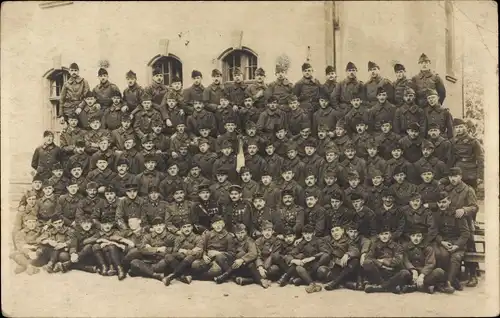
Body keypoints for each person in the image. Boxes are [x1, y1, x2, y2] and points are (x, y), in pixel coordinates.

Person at [441, 167, 479, 287]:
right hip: (452, 223)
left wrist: (464, 210)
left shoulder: (468, 190)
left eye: (456, 176)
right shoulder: (447, 190)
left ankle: (472, 274)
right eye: (451, 176)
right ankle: (454, 275)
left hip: (466, 222)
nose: (453, 179)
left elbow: (474, 207)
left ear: (460, 176)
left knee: (470, 244)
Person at [433, 191, 471, 291]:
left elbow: (465, 234)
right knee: (442, 255)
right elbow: (434, 233)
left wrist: (457, 246)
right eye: (439, 203)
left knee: (456, 257)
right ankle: (449, 281)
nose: (441, 205)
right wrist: (442, 242)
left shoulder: (457, 214)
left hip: (457, 244)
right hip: (444, 243)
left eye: (444, 202)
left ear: (449, 201)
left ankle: (449, 283)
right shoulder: (436, 216)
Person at [402, 224, 454, 294]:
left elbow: (430, 263)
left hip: (425, 275)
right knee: (403, 273)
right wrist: (413, 270)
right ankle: (426, 287)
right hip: (412, 275)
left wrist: (422, 275)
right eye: (413, 236)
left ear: (422, 237)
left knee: (439, 271)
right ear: (410, 237)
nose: (416, 238)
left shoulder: (428, 248)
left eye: (418, 236)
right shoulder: (405, 247)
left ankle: (416, 286)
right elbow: (406, 261)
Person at [216, 223, 270, 288]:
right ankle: (235, 277)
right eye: (238, 233)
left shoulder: (249, 240)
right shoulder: (233, 240)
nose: (240, 235)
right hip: (234, 264)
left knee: (249, 262)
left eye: (242, 233)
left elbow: (253, 253)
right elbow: (228, 251)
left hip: (245, 266)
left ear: (246, 232)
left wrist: (242, 259)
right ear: (235, 233)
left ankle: (227, 275)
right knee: (220, 257)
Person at [276, 224, 323, 293]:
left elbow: (325, 252)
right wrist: (294, 260)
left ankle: (287, 278)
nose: (307, 236)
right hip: (306, 267)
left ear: (313, 233)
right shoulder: (301, 243)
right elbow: (291, 253)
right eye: (305, 233)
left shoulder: (318, 241)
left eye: (310, 233)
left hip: (316, 266)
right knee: (298, 267)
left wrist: (312, 258)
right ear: (302, 234)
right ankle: (312, 284)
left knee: (297, 280)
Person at [362, 225, 409, 294]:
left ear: (390, 234)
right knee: (367, 263)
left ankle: (381, 287)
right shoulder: (375, 245)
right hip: (379, 273)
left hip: (393, 272)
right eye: (381, 234)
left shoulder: (397, 246)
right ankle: (389, 286)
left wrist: (383, 260)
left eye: (386, 234)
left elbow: (398, 261)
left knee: (405, 273)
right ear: (378, 236)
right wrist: (380, 264)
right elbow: (368, 257)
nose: (384, 236)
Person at [128, 217, 176, 281]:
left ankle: (147, 272)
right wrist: (157, 249)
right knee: (134, 262)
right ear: (153, 227)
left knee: (169, 259)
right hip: (149, 262)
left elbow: (174, 249)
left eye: (160, 225)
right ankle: (155, 275)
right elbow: (142, 250)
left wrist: (150, 248)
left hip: (162, 262)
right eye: (156, 226)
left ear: (164, 226)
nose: (158, 227)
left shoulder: (170, 236)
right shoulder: (148, 236)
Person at [191, 215, 235, 282]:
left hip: (220, 261)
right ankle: (212, 276)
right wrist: (204, 256)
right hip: (208, 258)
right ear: (212, 225)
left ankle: (194, 277)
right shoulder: (208, 234)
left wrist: (218, 253)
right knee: (194, 265)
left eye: (220, 223)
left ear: (223, 224)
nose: (218, 226)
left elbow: (232, 254)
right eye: (215, 224)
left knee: (215, 271)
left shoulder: (229, 236)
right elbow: (203, 247)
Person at [321, 220, 361, 291]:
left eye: (337, 230)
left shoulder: (348, 240)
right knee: (322, 270)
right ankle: (347, 284)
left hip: (348, 268)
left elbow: (356, 251)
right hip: (335, 267)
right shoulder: (328, 240)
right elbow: (318, 240)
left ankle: (335, 283)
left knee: (355, 261)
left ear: (342, 231)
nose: (335, 233)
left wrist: (347, 254)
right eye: (332, 231)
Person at [161, 220, 202, 286]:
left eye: (188, 226)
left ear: (192, 227)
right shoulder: (178, 238)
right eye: (184, 227)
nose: (187, 229)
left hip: (192, 261)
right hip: (182, 260)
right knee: (168, 256)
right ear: (181, 229)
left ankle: (171, 277)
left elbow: (199, 253)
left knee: (189, 257)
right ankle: (184, 276)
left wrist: (185, 251)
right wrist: (190, 252)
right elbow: (175, 252)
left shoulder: (197, 237)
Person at [450, 118, 484, 190]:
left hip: (471, 171)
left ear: (466, 127)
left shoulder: (473, 142)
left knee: (471, 194)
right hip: (458, 171)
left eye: (461, 127)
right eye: (456, 127)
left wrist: (480, 176)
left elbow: (480, 159)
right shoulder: (453, 142)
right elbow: (451, 158)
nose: (458, 129)